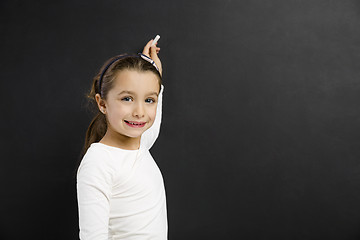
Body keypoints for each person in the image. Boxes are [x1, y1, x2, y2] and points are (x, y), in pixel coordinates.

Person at [76, 39, 167, 240]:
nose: (140, 112)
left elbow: (154, 117)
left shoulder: (142, 145)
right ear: (102, 103)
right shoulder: (98, 162)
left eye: (148, 100)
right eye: (127, 98)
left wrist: (153, 69)